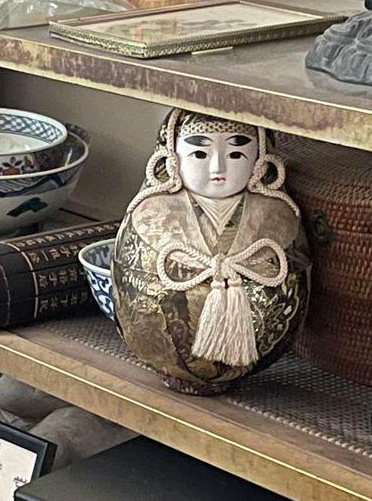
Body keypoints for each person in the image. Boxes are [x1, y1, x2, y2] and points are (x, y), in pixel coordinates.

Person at [111, 109, 310, 394]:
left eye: (236, 155)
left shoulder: (276, 214)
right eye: (200, 154)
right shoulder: (151, 211)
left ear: (259, 160)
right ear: (172, 158)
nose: (218, 167)